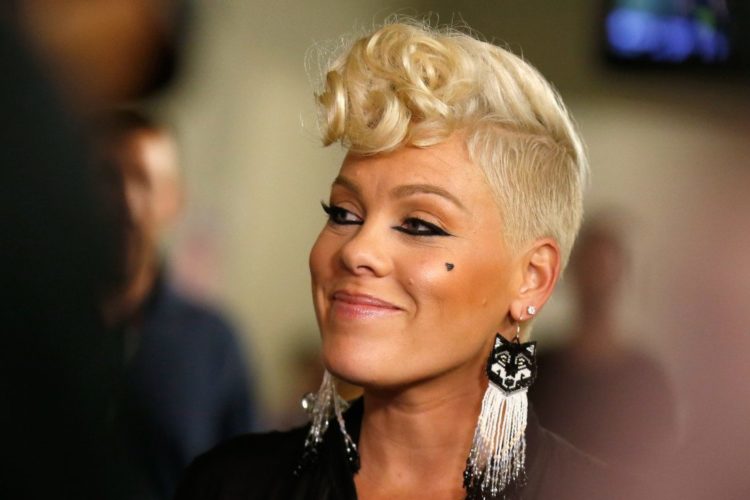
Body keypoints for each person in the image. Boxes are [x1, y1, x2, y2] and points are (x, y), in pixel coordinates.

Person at [175, 19, 631, 500]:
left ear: (532, 279)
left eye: (419, 225)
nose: (357, 250)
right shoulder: (228, 486)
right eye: (343, 213)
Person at [96, 109, 259, 500]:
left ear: (174, 200)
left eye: (144, 181)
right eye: (108, 178)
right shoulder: (31, 315)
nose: (127, 202)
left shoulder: (214, 346)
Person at [530, 213, 676, 474]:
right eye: (590, 267)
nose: (598, 280)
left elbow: (659, 466)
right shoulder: (538, 371)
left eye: (605, 269)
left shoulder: (647, 379)